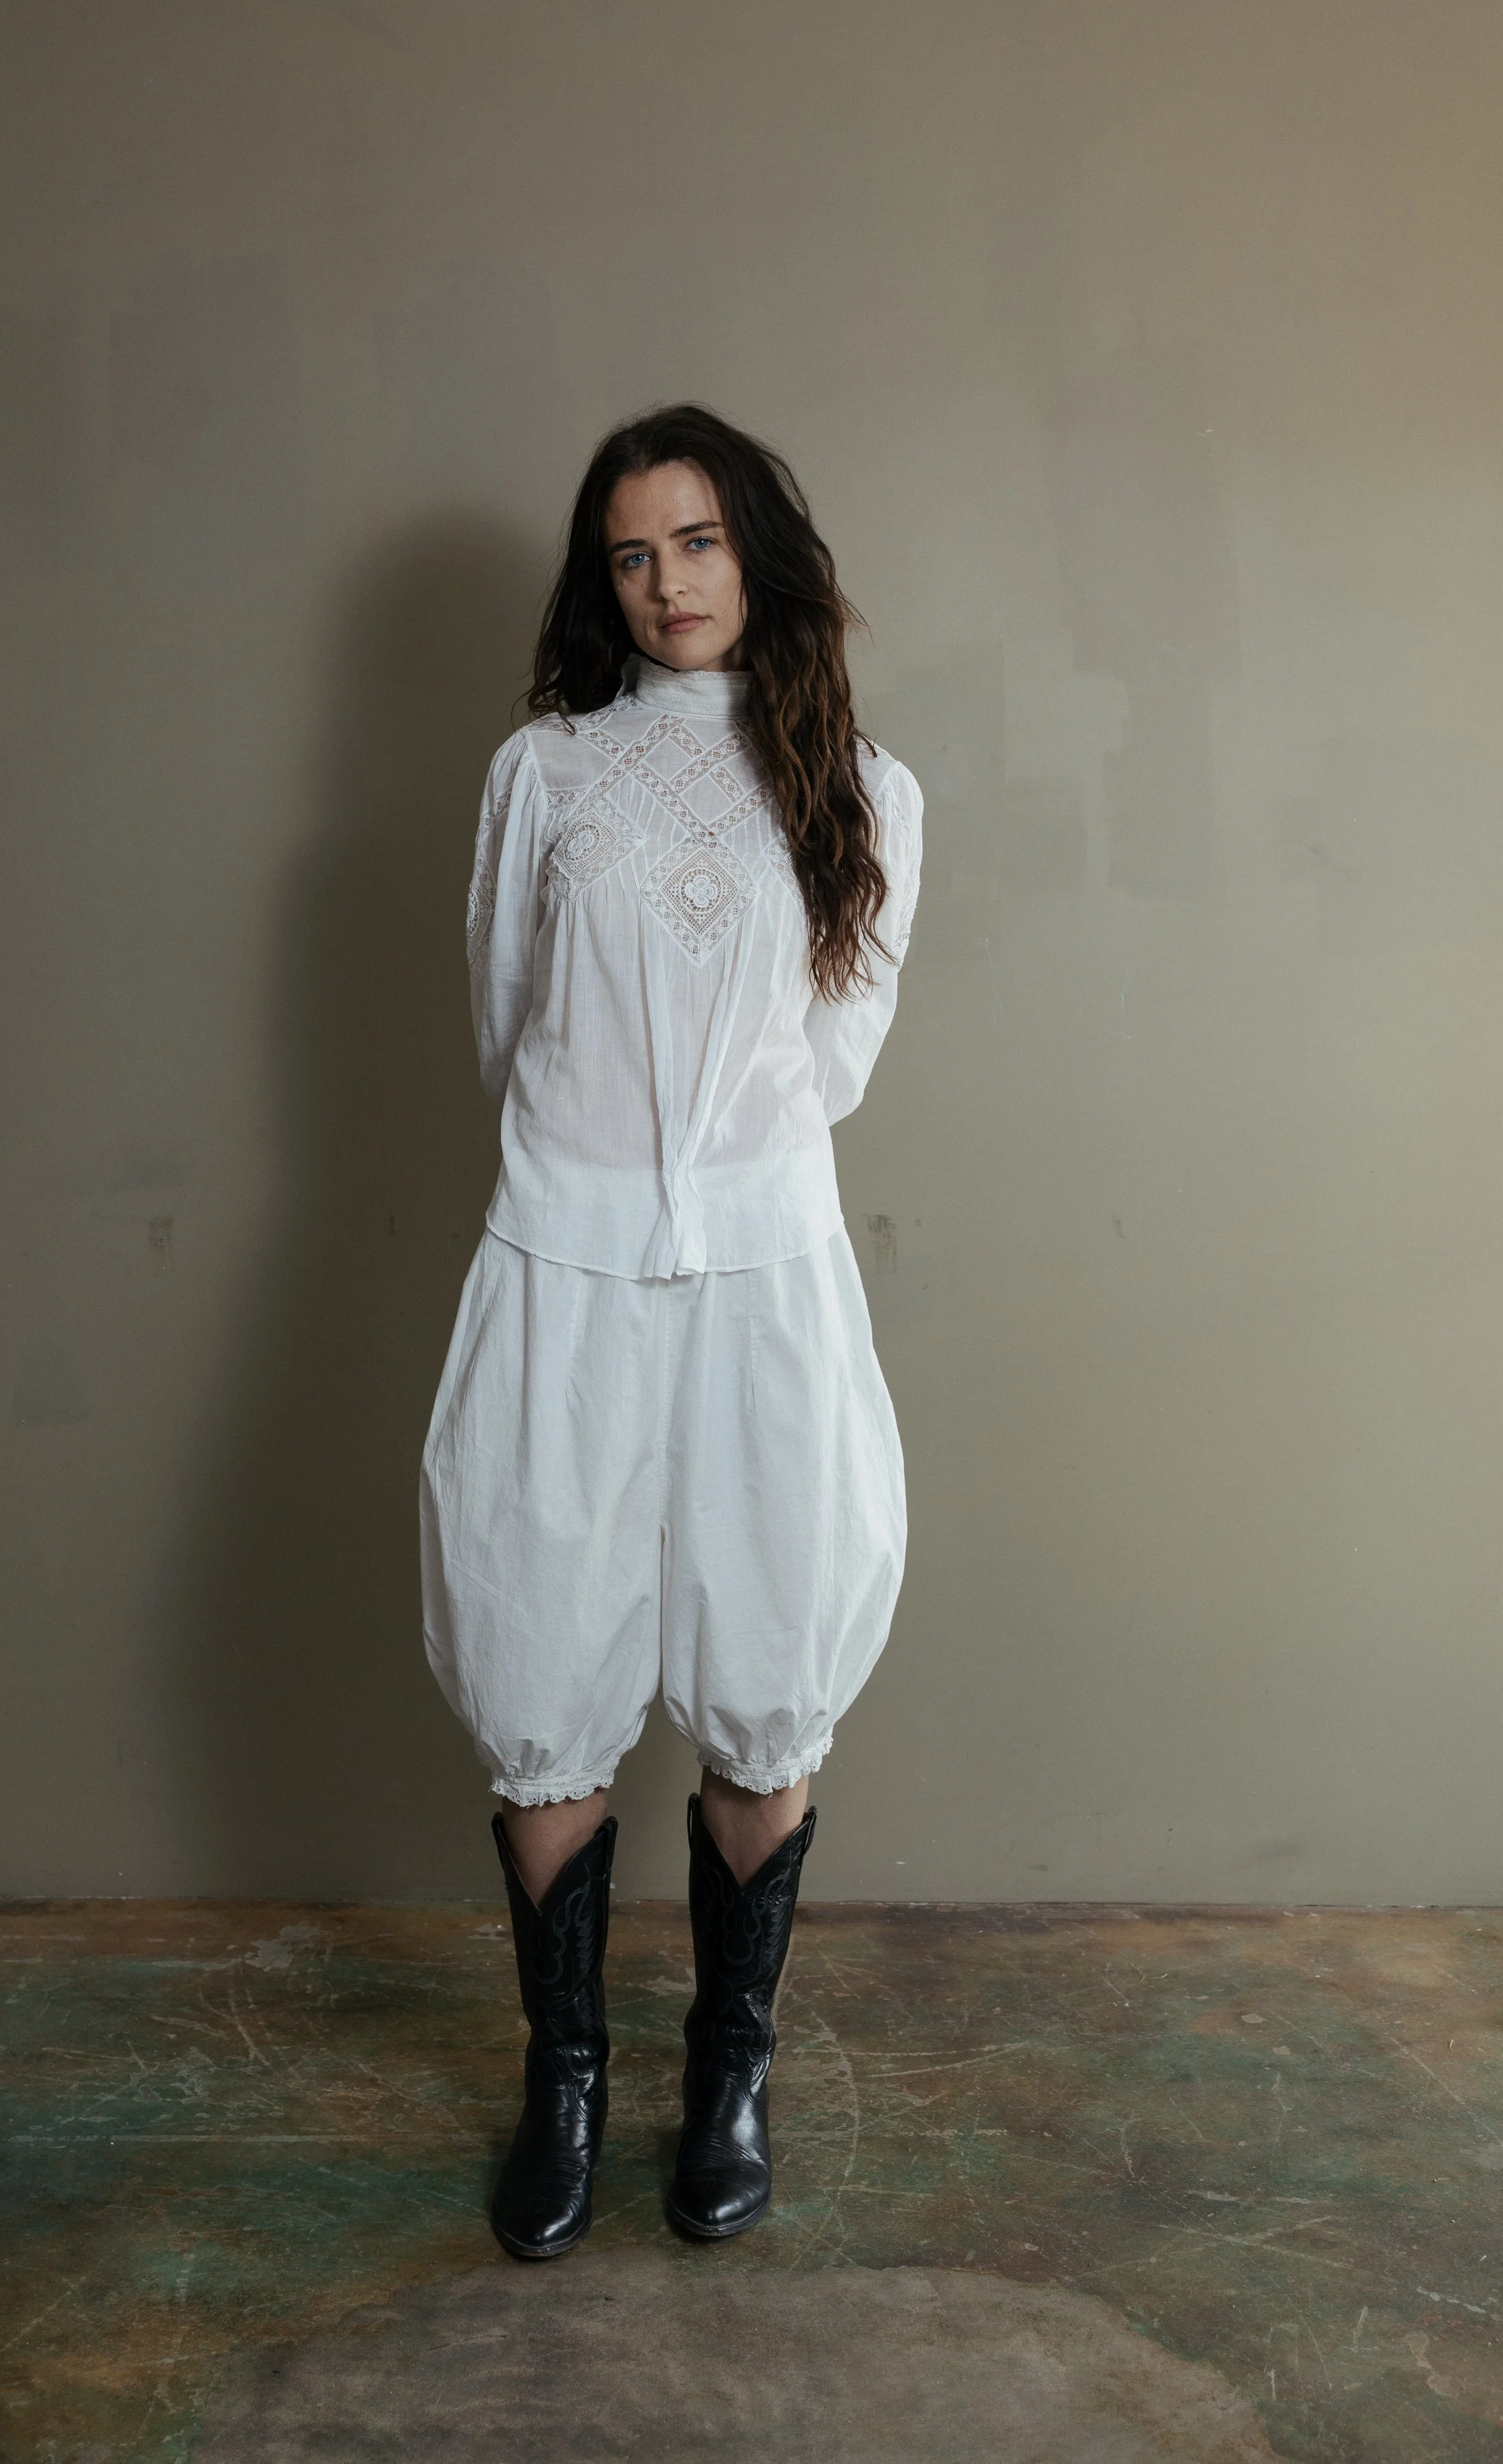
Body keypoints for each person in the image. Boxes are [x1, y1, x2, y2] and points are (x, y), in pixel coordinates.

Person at [419, 403, 923, 2259]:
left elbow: (835, 1061)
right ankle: (564, 2072)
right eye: (631, 553)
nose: (666, 581)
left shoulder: (866, 784)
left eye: (697, 541)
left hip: (769, 1285)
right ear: (600, 578)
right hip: (561, 1266)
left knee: (767, 1642)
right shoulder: (539, 775)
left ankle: (730, 2067)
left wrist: (709, 1185)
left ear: (755, 551)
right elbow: (507, 1022)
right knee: (538, 1660)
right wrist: (606, 1182)